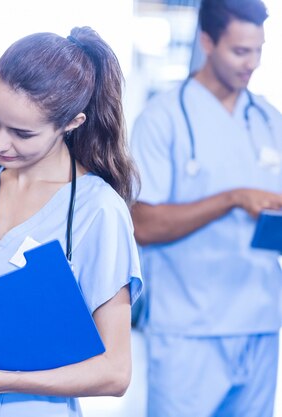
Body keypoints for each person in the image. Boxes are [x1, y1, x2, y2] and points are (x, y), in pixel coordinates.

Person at [0, 26, 143, 417]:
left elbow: (115, 372)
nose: (0, 143)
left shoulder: (97, 209)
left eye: (22, 133)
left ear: (72, 123)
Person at [129, 0, 282, 416]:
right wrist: (231, 199)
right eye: (239, 51)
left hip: (260, 324)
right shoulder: (164, 119)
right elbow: (141, 223)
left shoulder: (270, 120)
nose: (251, 63)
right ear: (207, 41)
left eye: (258, 50)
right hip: (188, 332)